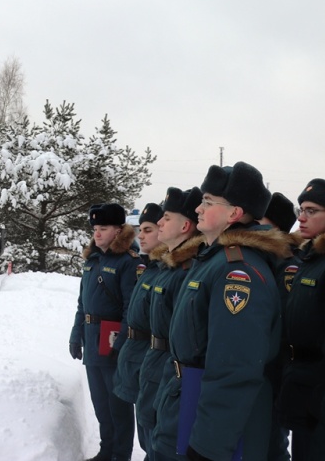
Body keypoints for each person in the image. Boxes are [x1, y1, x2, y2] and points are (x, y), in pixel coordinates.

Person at [152, 162, 289, 461]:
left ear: (234, 213)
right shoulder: (211, 260)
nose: (198, 208)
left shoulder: (237, 272)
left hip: (204, 417)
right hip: (184, 401)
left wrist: (208, 447)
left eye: (208, 202)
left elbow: (234, 367)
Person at [70, 203, 142, 461]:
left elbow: (130, 308)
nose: (97, 233)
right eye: (95, 228)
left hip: (112, 339)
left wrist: (121, 343)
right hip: (92, 339)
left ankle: (120, 455)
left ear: (119, 230)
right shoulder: (92, 260)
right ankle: (106, 451)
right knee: (101, 403)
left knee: (118, 405)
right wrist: (76, 334)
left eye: (104, 228)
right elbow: (83, 303)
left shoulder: (128, 262)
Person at [136, 187, 203, 461]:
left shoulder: (186, 271)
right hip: (156, 368)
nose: (160, 223)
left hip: (171, 371)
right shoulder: (167, 268)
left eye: (166, 218)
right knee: (150, 441)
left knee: (162, 444)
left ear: (185, 226)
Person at [278, 179, 325, 460]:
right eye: (301, 209)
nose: (301, 217)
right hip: (302, 385)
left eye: (312, 210)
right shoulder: (309, 259)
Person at [113, 202, 164, 460]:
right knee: (146, 438)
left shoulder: (165, 272)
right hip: (137, 360)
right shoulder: (150, 268)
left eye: (148, 229)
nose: (140, 236)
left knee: (155, 439)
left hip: (150, 360)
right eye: (140, 229)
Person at [260, 192, 298, 461]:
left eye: (261, 222)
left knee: (272, 442)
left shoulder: (287, 267)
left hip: (275, 370)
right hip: (259, 369)